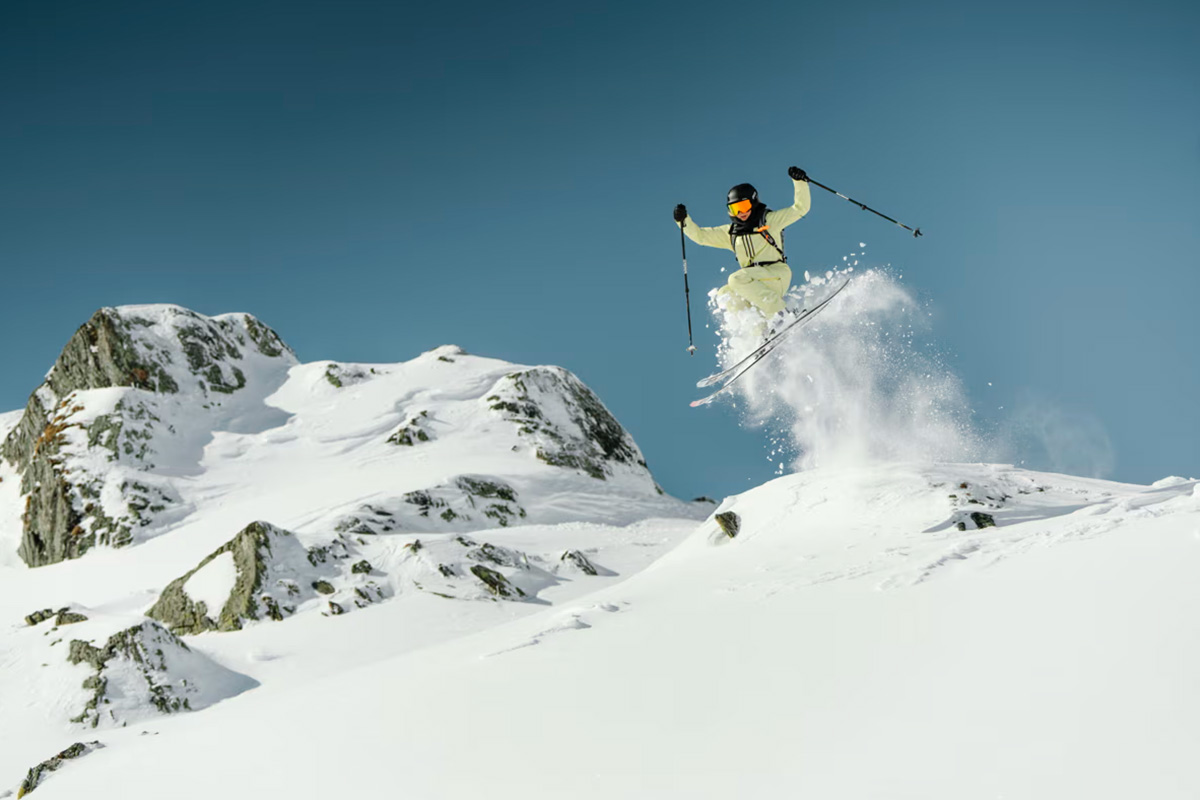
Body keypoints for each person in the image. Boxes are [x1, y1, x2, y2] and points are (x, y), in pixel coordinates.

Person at [674, 166, 811, 327]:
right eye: (735, 209)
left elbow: (800, 208)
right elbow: (701, 236)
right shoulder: (732, 233)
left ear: (753, 203)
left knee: (736, 278)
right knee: (725, 294)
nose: (741, 213)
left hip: (776, 274)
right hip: (753, 284)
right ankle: (760, 332)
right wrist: (683, 221)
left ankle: (781, 314)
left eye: (744, 206)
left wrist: (799, 181)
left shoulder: (770, 221)